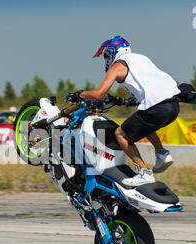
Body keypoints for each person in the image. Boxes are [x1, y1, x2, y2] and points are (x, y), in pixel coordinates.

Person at [69, 36, 180, 186]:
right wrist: (124, 102)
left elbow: (98, 94)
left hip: (157, 107)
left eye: (105, 56)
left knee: (121, 134)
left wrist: (79, 95)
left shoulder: (118, 66)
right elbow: (151, 90)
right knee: (145, 123)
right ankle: (162, 154)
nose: (106, 60)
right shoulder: (141, 59)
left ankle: (144, 173)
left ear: (111, 52)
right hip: (173, 105)